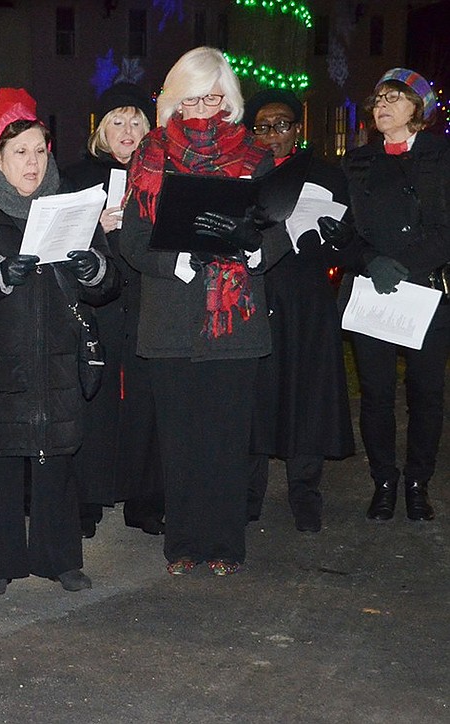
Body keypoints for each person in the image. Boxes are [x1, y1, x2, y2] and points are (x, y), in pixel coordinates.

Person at [0, 88, 119, 595]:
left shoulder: (71, 204)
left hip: (56, 357)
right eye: (20, 152)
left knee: (56, 458)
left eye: (40, 150)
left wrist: (93, 267)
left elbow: (107, 284)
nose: (33, 162)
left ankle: (60, 558)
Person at [119, 47, 292, 576]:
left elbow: (276, 231)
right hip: (173, 318)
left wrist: (256, 254)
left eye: (213, 96)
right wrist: (177, 266)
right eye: (192, 96)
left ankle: (225, 544)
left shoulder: (255, 157)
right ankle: (184, 543)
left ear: (228, 98)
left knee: (226, 438)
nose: (202, 106)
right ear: (175, 98)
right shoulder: (151, 155)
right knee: (180, 439)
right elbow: (133, 240)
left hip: (235, 321)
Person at [334, 68, 450, 522]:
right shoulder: (357, 161)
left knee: (426, 393)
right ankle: (384, 481)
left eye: (395, 98)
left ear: (418, 111)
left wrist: (409, 264)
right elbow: (342, 230)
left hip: (426, 290)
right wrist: (368, 262)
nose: (382, 105)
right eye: (378, 98)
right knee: (377, 393)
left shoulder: (441, 157)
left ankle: (418, 483)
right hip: (374, 290)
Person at [244, 89, 355, 532]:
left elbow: (349, 241)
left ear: (298, 129)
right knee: (255, 394)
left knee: (306, 395)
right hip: (255, 294)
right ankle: (250, 492)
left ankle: (304, 491)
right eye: (263, 126)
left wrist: (338, 237)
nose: (273, 135)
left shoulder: (325, 174)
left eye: (282, 125)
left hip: (308, 298)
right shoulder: (241, 174)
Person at [65, 81, 165, 539]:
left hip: (147, 301)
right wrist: (94, 229)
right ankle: (86, 499)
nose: (127, 132)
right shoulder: (77, 177)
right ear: (100, 130)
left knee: (146, 401)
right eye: (117, 122)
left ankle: (145, 500)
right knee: (93, 399)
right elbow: (57, 244)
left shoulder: (163, 172)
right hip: (97, 307)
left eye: (136, 121)